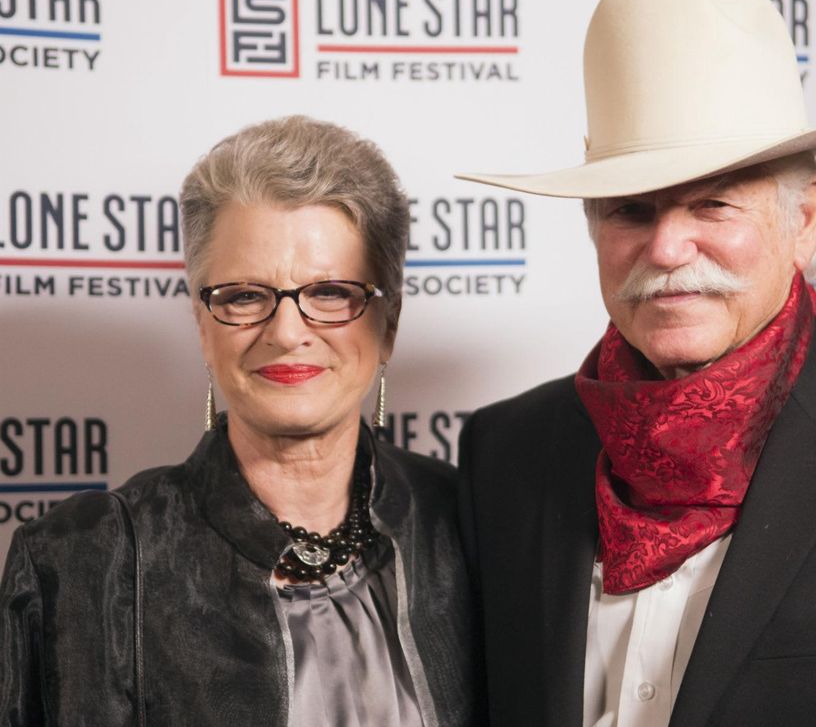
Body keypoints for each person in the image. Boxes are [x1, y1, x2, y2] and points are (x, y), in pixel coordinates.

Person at [455, 0, 816, 726]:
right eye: (630, 209)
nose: (667, 248)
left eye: (713, 205)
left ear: (805, 218)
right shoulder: (504, 452)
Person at [0, 116, 479, 726]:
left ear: (388, 324)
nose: (286, 332)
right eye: (245, 296)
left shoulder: (472, 528)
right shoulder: (79, 564)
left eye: (330, 292)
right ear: (203, 326)